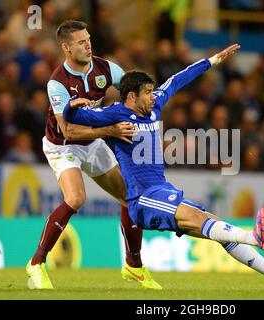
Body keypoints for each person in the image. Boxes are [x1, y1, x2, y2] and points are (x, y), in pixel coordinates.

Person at [63, 44, 264, 285]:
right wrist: (70, 106)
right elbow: (76, 119)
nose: (153, 95)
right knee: (200, 217)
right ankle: (253, 236)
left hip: (163, 189)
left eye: (153, 90)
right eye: (147, 92)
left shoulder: (154, 106)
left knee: (216, 227)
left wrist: (212, 61)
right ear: (132, 97)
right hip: (142, 199)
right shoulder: (113, 114)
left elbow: (179, 79)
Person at [26, 20, 161, 290]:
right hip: (63, 145)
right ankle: (36, 263)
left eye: (88, 39)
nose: (88, 45)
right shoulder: (58, 83)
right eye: (80, 42)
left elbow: (130, 93)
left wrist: (144, 102)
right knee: (76, 198)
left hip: (95, 141)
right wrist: (110, 128)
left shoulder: (106, 68)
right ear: (66, 47)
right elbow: (69, 131)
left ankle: (134, 265)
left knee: (130, 197)